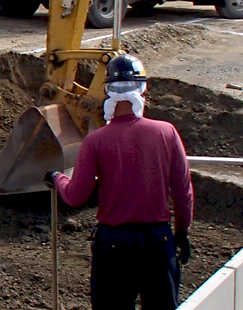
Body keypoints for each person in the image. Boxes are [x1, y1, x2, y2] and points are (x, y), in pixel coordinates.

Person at [45, 54, 194, 310]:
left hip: (113, 246)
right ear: (143, 91)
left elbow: (77, 195)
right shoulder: (166, 132)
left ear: (107, 92)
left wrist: (57, 179)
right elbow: (183, 192)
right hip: (158, 244)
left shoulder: (96, 141)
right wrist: (181, 232)